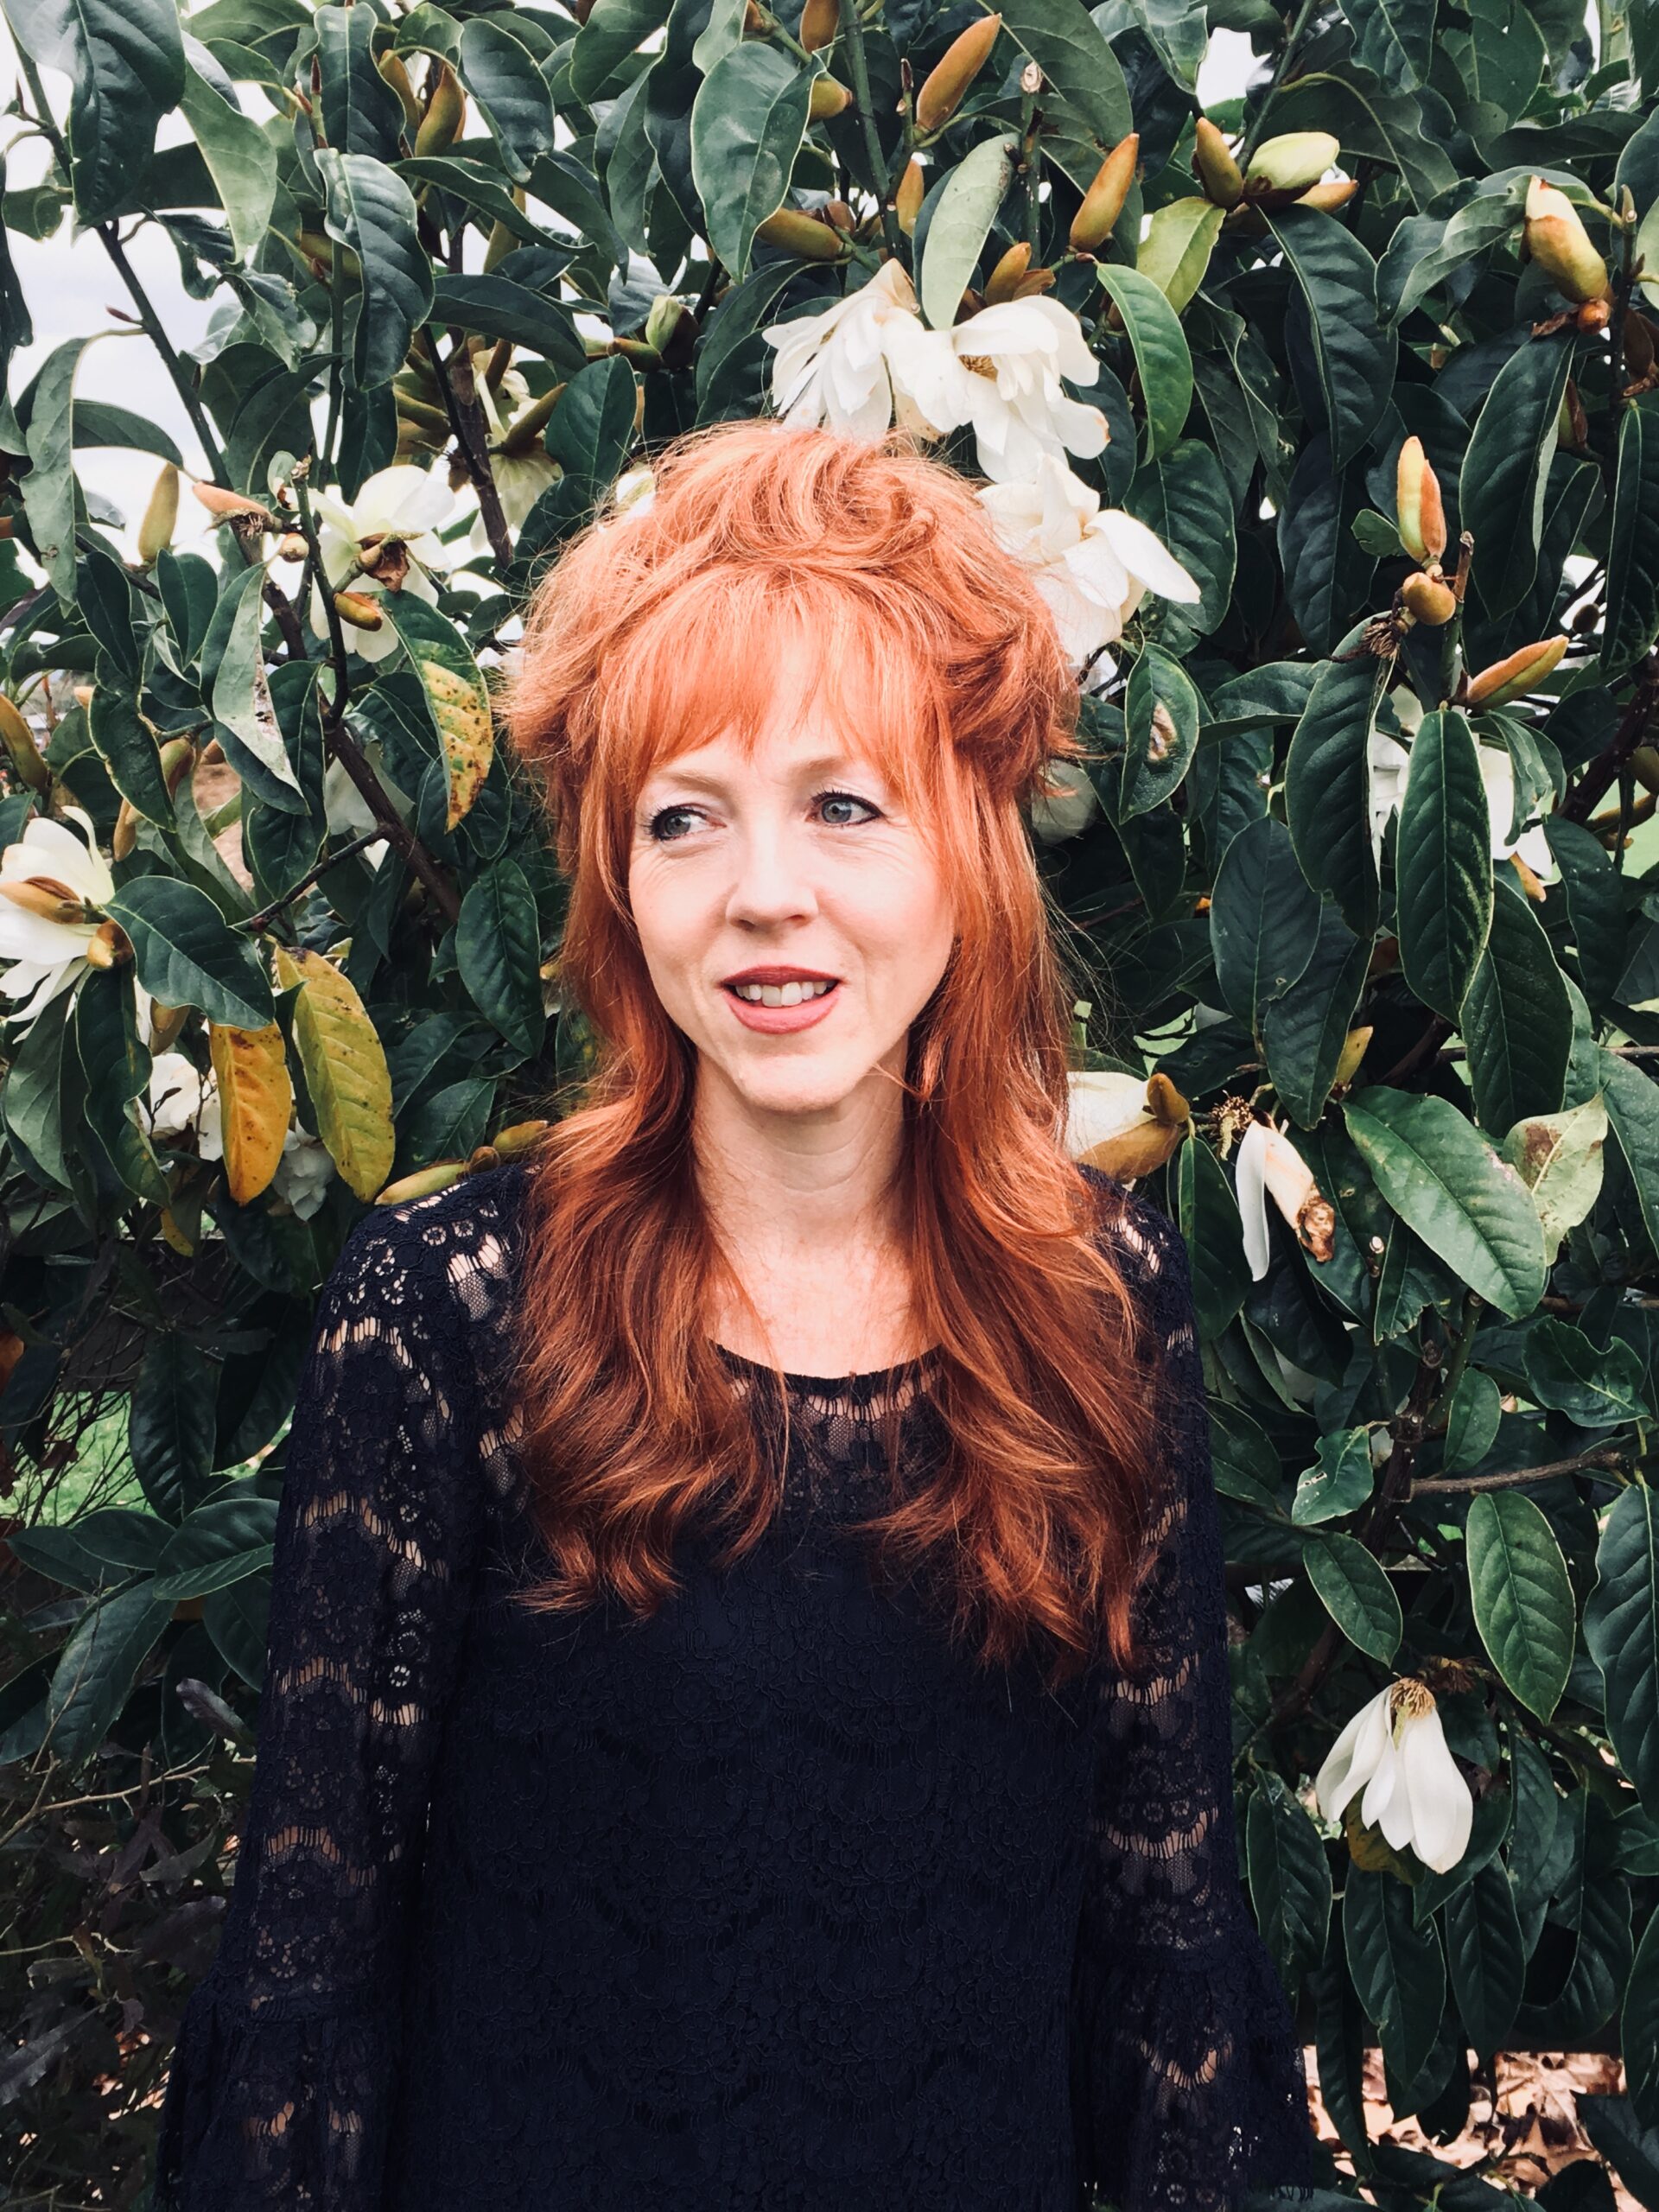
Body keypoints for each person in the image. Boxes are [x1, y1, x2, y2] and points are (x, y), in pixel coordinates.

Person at [152, 420, 1326, 2210]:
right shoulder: (454, 1317)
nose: (765, 890)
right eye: (685, 816)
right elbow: (317, 1963)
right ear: (619, 880)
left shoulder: (1103, 1306)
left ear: (969, 847)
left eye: (843, 804)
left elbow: (1159, 1935)